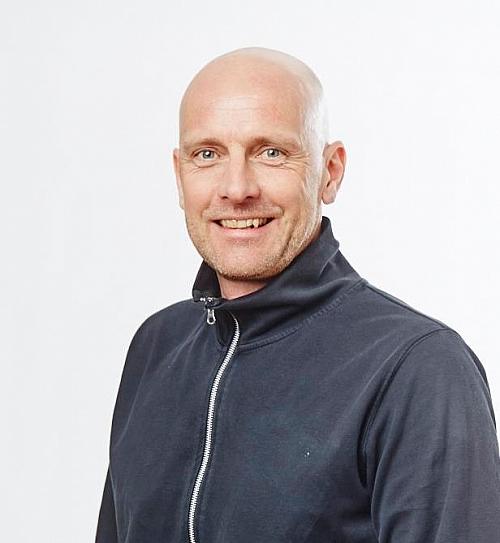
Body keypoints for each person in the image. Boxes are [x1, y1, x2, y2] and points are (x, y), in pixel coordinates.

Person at [96, 47, 500, 542]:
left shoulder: (418, 368)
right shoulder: (157, 345)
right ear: (180, 176)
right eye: (208, 155)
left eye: (271, 152)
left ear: (330, 171)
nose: (236, 188)